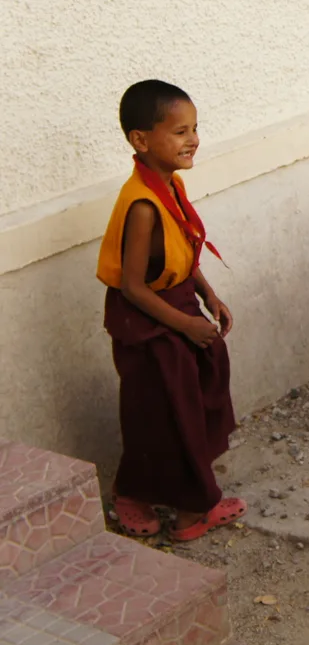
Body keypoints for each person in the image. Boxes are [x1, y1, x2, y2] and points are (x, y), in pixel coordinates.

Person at [97, 79, 244, 542]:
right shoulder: (140, 204)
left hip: (176, 304)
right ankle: (160, 503)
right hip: (149, 319)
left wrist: (208, 296)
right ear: (141, 140)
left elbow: (183, 251)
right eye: (179, 131)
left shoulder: (168, 185)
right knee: (163, 415)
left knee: (191, 405)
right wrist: (185, 324)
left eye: (195, 128)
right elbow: (133, 287)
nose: (193, 139)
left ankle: (190, 495)